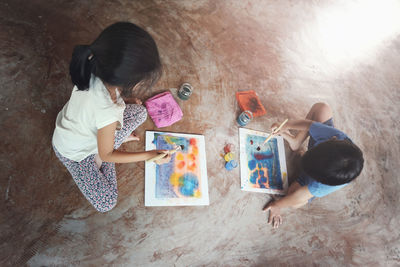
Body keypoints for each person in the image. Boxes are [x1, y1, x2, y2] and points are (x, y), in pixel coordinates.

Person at [52, 22, 171, 212]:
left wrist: (123, 99)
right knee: (106, 202)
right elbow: (107, 154)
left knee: (140, 111)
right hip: (74, 154)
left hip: (78, 128)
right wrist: (149, 155)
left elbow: (106, 102)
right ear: (123, 81)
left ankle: (107, 144)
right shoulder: (107, 112)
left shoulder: (94, 62)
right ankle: (103, 149)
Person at [263, 103, 364, 228]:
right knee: (321, 108)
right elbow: (309, 125)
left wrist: (277, 205)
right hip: (322, 154)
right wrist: (285, 126)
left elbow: (297, 197)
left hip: (314, 175)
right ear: (332, 139)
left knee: (294, 200)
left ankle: (302, 155)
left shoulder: (321, 185)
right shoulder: (336, 137)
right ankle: (296, 142)